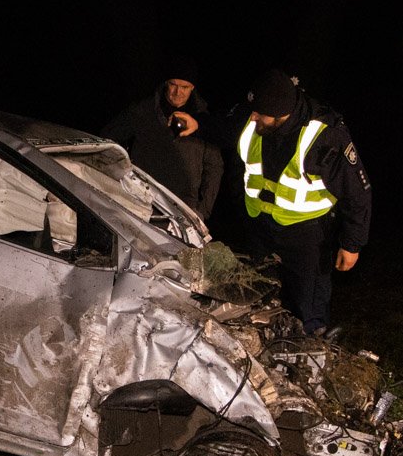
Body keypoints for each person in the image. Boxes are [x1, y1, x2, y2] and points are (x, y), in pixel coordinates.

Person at [208, 68, 372, 335]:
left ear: (280, 112)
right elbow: (223, 128)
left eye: (259, 112)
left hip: (306, 234)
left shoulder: (324, 135)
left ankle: (310, 354)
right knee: (256, 296)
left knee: (307, 306)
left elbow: (357, 192)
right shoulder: (257, 119)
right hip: (260, 226)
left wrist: (352, 244)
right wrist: (197, 125)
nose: (252, 116)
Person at [102, 55, 224, 220]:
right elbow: (107, 141)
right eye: (173, 84)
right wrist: (120, 184)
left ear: (193, 87)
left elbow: (214, 167)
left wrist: (202, 211)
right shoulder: (143, 111)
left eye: (185, 87)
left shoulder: (203, 119)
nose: (178, 92)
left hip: (184, 207)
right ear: (166, 83)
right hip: (142, 201)